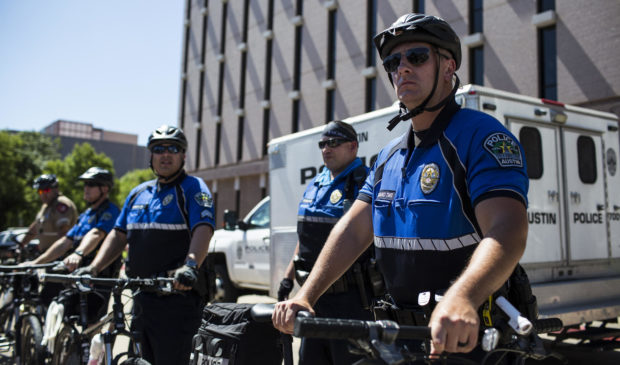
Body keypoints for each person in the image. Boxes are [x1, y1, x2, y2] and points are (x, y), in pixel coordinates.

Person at [273, 13, 529, 361]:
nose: (402, 68)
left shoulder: (482, 136)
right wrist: (307, 296)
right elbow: (351, 231)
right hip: (399, 341)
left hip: (466, 339)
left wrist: (462, 297)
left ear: (448, 66)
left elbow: (507, 229)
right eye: (393, 62)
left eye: (417, 57)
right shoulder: (387, 156)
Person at [76, 125, 215, 365]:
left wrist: (191, 265)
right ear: (150, 155)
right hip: (141, 298)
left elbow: (203, 227)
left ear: (183, 155)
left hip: (177, 300)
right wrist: (94, 267)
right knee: (138, 359)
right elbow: (119, 235)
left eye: (173, 148)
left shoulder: (193, 187)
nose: (166, 154)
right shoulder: (138, 193)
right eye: (158, 149)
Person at [278, 121, 375, 365]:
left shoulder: (363, 182)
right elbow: (306, 239)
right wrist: (287, 278)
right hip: (313, 299)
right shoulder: (315, 184)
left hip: (351, 303)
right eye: (323, 144)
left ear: (353, 147)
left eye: (334, 143)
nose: (326, 149)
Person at [21, 174, 78, 254]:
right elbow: (35, 228)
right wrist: (21, 244)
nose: (43, 194)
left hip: (60, 256)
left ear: (56, 189)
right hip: (45, 254)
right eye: (40, 191)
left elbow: (64, 233)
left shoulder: (61, 204)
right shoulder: (45, 206)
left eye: (46, 190)